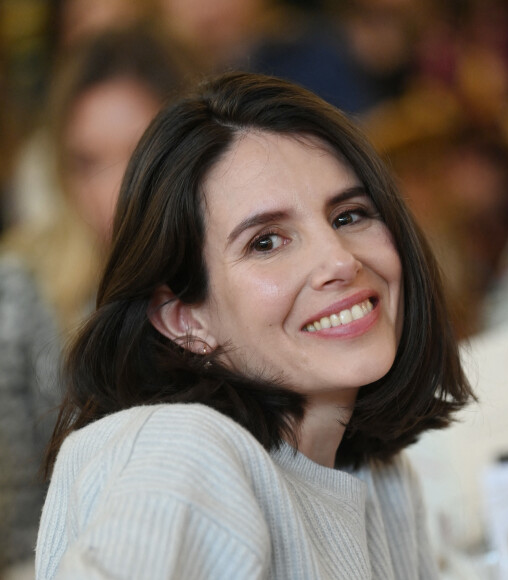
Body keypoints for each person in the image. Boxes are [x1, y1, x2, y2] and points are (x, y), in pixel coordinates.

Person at [36, 72, 473, 579]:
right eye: (266, 241)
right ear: (184, 318)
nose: (339, 260)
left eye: (349, 215)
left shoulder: (379, 477)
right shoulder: (183, 452)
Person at [0, 25, 192, 574]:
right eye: (87, 162)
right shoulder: (21, 298)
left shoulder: (242, 281)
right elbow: (18, 544)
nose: (111, 194)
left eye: (136, 153)